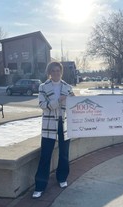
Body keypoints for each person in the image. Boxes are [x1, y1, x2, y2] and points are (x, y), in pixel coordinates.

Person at [32, 61, 74, 198]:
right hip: (49, 126)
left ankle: (62, 178)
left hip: (64, 125)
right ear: (49, 72)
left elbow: (74, 105)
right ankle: (40, 186)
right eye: (53, 70)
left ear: (61, 72)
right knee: (45, 156)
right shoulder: (43, 87)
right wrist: (59, 101)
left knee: (64, 154)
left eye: (58, 70)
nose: (56, 73)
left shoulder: (67, 87)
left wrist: (71, 100)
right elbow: (42, 105)